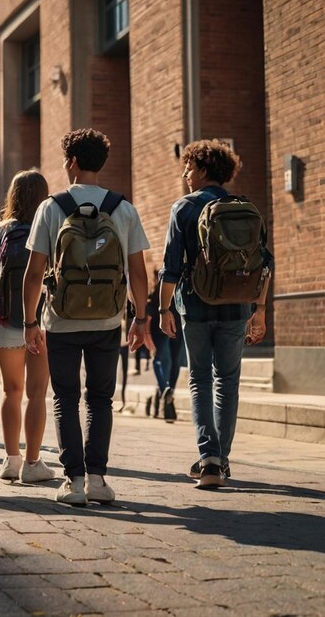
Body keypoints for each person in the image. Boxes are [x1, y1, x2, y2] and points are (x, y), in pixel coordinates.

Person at [23, 129, 153, 506]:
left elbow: (34, 273)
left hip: (60, 320)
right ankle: (97, 479)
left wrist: (30, 322)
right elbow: (138, 273)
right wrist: (140, 319)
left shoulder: (51, 207)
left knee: (64, 398)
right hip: (108, 320)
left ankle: (73, 482)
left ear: (73, 162)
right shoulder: (123, 208)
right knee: (100, 399)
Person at [159, 139, 271, 489]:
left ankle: (208, 460)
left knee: (200, 381)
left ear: (204, 169)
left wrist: (163, 309)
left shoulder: (184, 208)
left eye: (189, 167)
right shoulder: (246, 207)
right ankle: (222, 459)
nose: (185, 173)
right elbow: (264, 264)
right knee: (228, 381)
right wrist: (260, 311)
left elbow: (170, 268)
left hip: (195, 305)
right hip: (238, 306)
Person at [0, 170, 55, 483]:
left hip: (5, 322)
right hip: (42, 321)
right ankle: (33, 464)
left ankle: (11, 461)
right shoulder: (50, 225)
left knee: (11, 392)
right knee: (37, 394)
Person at [147, 274, 184, 422]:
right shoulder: (160, 290)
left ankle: (165, 390)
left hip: (167, 325)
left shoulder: (164, 285)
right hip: (170, 325)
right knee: (171, 360)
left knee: (161, 360)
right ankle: (168, 392)